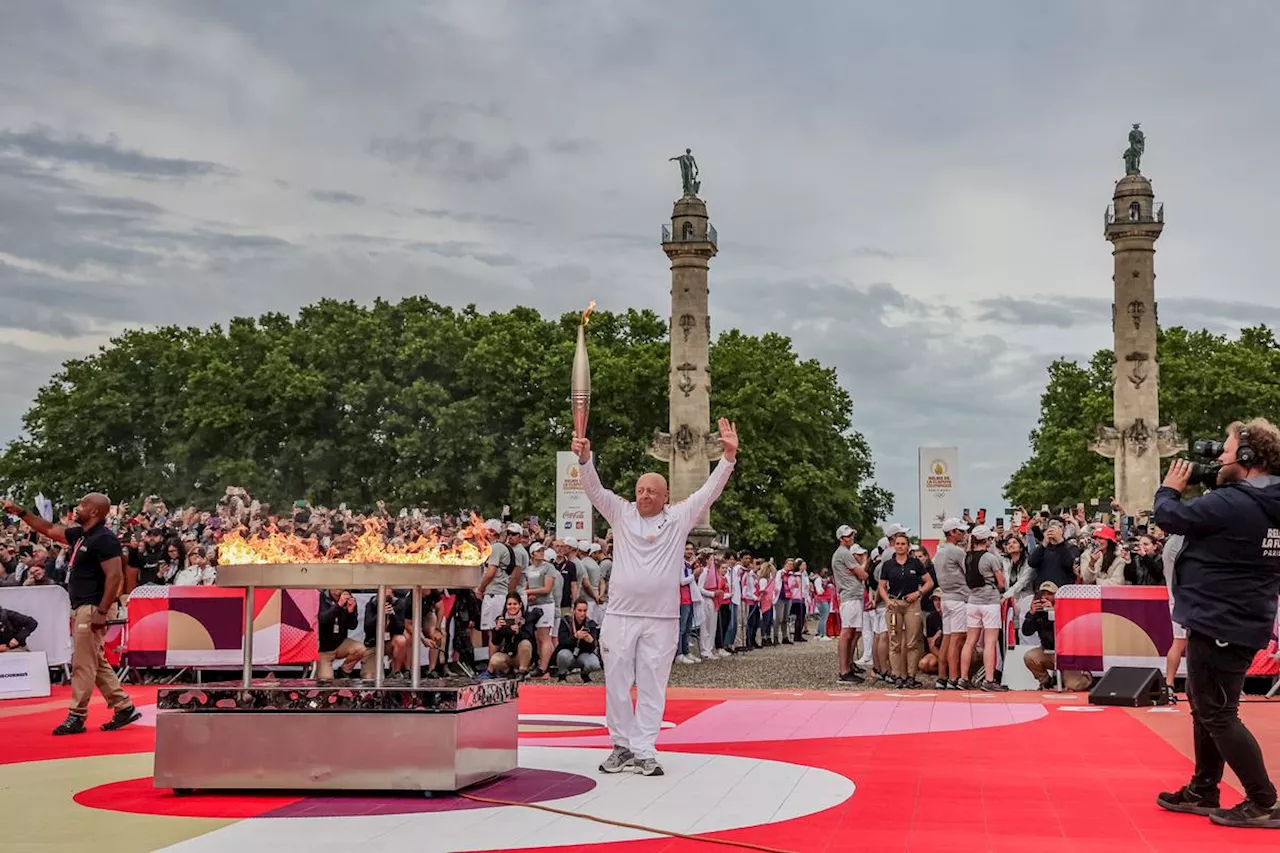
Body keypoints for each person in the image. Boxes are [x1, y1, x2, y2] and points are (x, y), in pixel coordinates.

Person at [573, 417, 737, 777]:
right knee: (616, 680)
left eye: (652, 491)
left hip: (661, 618)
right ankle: (620, 745)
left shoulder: (678, 518)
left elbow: (708, 492)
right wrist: (585, 461)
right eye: (640, 489)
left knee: (652, 684)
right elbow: (595, 491)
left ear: (665, 496)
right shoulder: (621, 513)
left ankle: (644, 749)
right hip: (620, 615)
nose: (644, 495)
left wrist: (727, 459)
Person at [1153, 419, 1280, 829]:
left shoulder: (1233, 503)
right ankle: (1203, 788)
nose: (1217, 458)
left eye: (1225, 452)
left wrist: (1170, 487)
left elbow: (1170, 516)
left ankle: (1263, 800)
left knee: (1218, 712)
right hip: (1240, 617)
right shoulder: (1266, 502)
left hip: (1220, 619)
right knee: (1206, 706)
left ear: (1246, 458)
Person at [3, 494, 141, 735]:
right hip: (84, 606)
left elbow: (115, 576)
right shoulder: (81, 535)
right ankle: (124, 707)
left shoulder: (105, 539)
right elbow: (48, 528)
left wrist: (101, 610)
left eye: (83, 505)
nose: (78, 508)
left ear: (95, 512)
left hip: (93, 606)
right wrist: (21, 512)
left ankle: (76, 716)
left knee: (82, 664)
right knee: (95, 662)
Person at [878, 530, 933, 688]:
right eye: (898, 544)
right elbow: (882, 586)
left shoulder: (915, 563)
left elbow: (929, 582)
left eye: (903, 544)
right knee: (894, 641)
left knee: (912, 642)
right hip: (895, 604)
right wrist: (887, 600)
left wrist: (918, 593)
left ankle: (911, 675)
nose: (900, 547)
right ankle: (896, 675)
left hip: (911, 604)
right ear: (894, 546)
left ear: (908, 546)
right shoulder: (888, 565)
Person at [959, 525, 1007, 692]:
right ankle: (989, 679)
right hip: (989, 601)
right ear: (987, 540)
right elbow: (1001, 582)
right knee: (990, 642)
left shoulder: (967, 556)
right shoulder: (990, 558)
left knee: (970, 641)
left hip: (973, 601)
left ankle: (963, 678)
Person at [1020, 583, 1091, 691]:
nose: (1045, 597)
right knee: (1029, 656)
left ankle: (1088, 679)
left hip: (1068, 655)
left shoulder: (1066, 609)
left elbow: (1066, 631)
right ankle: (1047, 682)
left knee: (1073, 685)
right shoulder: (1038, 612)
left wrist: (1053, 612)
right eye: (1043, 593)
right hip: (1049, 652)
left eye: (1049, 594)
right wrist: (1031, 614)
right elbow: (1026, 632)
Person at [932, 518, 969, 689]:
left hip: (946, 596)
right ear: (952, 532)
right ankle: (953, 677)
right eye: (960, 531)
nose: (963, 534)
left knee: (948, 637)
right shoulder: (957, 551)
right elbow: (968, 572)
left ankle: (942, 676)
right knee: (957, 638)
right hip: (958, 598)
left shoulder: (939, 551)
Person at [832, 525, 867, 684]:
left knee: (851, 632)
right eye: (847, 535)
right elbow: (863, 574)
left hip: (852, 594)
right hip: (850, 595)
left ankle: (847, 667)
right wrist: (864, 562)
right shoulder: (844, 553)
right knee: (847, 632)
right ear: (841, 538)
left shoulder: (843, 553)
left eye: (852, 534)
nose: (851, 537)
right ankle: (844, 670)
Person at [555, 599, 602, 682]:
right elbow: (562, 642)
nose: (582, 613)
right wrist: (575, 637)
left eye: (585, 610)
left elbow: (593, 649)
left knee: (594, 664)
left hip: (583, 655)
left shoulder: (590, 624)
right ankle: (562, 674)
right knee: (562, 655)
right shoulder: (566, 621)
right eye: (579, 610)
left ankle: (585, 674)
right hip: (569, 653)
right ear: (573, 610)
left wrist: (590, 641)